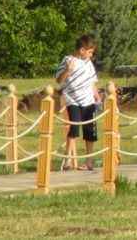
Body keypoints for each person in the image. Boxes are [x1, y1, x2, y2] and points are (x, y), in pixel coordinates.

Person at [55, 35, 100, 171]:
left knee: (90, 131)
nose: (91, 55)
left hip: (88, 101)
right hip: (73, 100)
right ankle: (68, 160)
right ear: (82, 50)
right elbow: (58, 80)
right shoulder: (68, 60)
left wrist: (96, 95)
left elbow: (92, 81)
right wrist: (68, 70)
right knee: (74, 129)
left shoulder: (89, 63)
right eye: (90, 52)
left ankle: (89, 162)